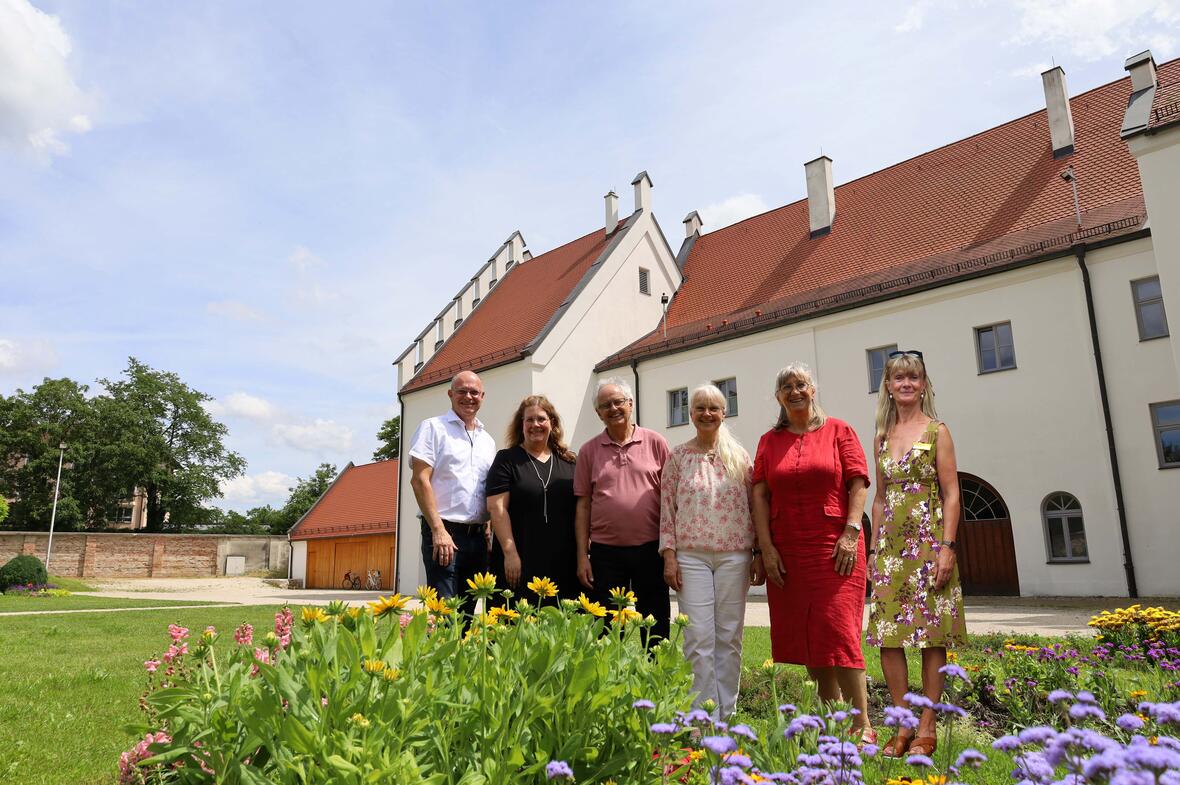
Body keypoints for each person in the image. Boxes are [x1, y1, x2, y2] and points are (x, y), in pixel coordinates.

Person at [753, 363, 875, 746]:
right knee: (808, 635)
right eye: (785, 386)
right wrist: (765, 548)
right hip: (787, 549)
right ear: (778, 396)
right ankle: (831, 719)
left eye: (800, 384)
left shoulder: (839, 430)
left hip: (835, 545)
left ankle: (863, 725)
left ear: (813, 390)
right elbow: (759, 495)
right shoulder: (768, 441)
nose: (794, 391)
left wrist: (852, 531)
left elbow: (858, 481)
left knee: (839, 632)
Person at [867, 350, 966, 759]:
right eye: (898, 378)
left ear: (923, 384)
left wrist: (947, 547)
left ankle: (927, 726)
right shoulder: (880, 436)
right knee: (889, 637)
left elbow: (953, 493)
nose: (906, 384)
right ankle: (902, 722)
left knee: (931, 637)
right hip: (890, 549)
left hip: (928, 545)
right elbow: (880, 496)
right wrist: (872, 551)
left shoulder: (937, 431)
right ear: (888, 386)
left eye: (914, 378)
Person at [660, 384, 762, 719]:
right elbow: (667, 511)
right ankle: (703, 717)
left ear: (724, 413)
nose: (706, 414)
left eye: (713, 408)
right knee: (698, 637)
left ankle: (726, 717)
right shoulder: (677, 458)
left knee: (729, 638)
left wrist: (759, 551)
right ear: (690, 414)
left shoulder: (739, 456)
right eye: (700, 408)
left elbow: (754, 506)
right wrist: (670, 555)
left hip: (735, 555)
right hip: (691, 557)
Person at [575, 377, 671, 644]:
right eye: (606, 405)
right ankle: (608, 681)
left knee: (655, 623)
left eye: (618, 402)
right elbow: (583, 506)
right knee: (604, 628)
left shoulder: (656, 443)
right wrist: (583, 556)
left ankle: (655, 680)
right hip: (606, 553)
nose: (613, 408)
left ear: (630, 404)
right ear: (598, 413)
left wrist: (671, 549)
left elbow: (670, 497)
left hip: (651, 549)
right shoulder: (588, 451)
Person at [408, 371, 497, 619]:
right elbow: (419, 480)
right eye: (462, 391)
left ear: (482, 396)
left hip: (477, 537)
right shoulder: (433, 428)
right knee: (446, 614)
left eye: (474, 392)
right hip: (445, 532)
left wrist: (488, 530)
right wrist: (438, 529)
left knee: (468, 614)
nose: (468, 397)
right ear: (450, 394)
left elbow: (485, 489)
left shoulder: (487, 441)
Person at [487, 395, 579, 599]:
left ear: (552, 423)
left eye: (541, 419)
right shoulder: (506, 460)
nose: (535, 425)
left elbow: (582, 511)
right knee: (514, 625)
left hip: (563, 561)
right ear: (521, 424)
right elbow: (497, 509)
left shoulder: (571, 462)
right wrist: (510, 553)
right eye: (529, 420)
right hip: (520, 559)